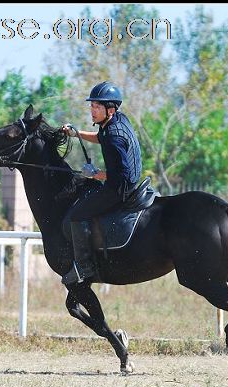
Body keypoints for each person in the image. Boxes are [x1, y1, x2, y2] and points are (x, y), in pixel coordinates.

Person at [60, 81, 142, 285]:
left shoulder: (114, 136)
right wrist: (77, 134)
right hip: (121, 181)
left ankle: (85, 268)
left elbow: (121, 176)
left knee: (77, 215)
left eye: (97, 106)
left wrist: (96, 174)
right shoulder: (115, 122)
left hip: (120, 188)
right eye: (92, 105)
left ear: (110, 110)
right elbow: (100, 137)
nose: (92, 110)